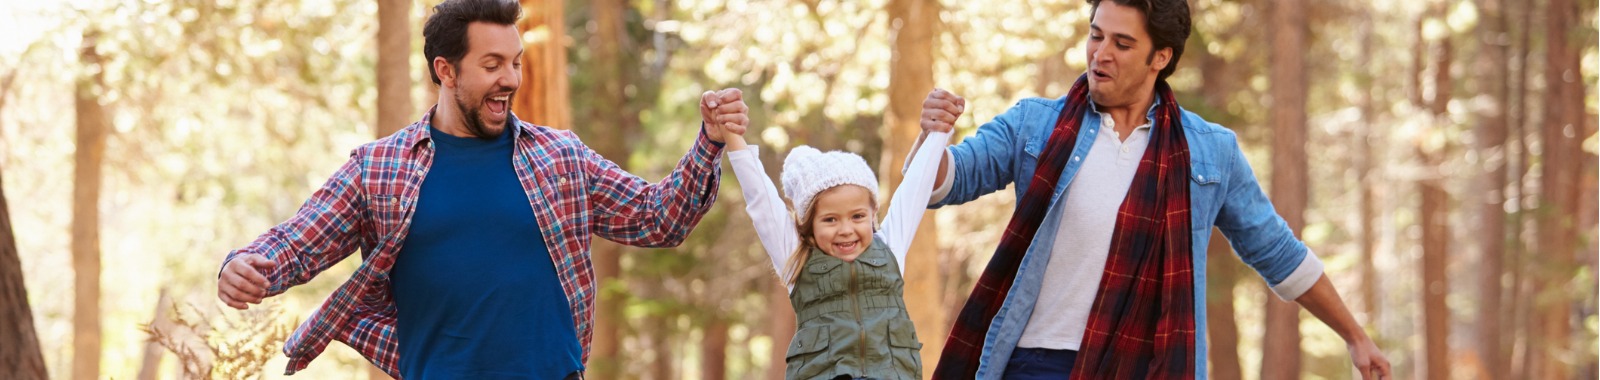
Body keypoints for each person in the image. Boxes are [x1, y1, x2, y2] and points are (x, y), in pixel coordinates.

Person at [212, 0, 749, 377]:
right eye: (492, 65)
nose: (511, 79)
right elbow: (299, 240)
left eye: (514, 63)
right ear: (446, 70)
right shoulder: (379, 169)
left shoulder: (560, 157)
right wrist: (247, 263)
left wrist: (708, 141)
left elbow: (659, 218)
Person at [914, 0, 1392, 379]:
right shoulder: (1035, 124)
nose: (1100, 54)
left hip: (1148, 367)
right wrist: (931, 138)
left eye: (1122, 43)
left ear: (1160, 57)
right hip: (1037, 362)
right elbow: (948, 181)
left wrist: (1355, 337)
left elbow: (1277, 251)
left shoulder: (1209, 151)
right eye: (1096, 35)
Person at [722, 126, 950, 379]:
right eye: (830, 220)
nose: (846, 229)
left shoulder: (890, 247)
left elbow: (915, 189)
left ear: (873, 214)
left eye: (857, 216)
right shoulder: (797, 259)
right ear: (809, 226)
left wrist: (939, 130)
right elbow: (760, 200)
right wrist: (732, 134)